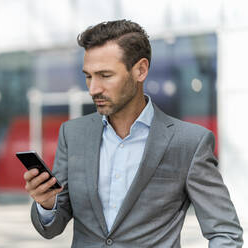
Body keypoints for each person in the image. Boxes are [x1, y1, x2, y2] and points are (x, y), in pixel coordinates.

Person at [23, 19, 243, 247]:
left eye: (105, 75)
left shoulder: (190, 142)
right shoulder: (73, 134)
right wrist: (48, 205)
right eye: (88, 76)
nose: (93, 89)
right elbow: (53, 226)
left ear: (140, 70)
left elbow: (225, 232)